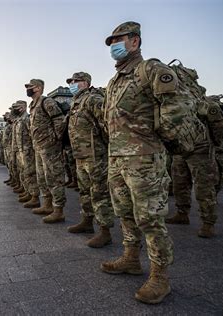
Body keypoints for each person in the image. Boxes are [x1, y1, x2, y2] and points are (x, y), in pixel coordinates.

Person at [101, 21, 174, 304]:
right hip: (118, 158)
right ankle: (131, 258)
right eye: (110, 43)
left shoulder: (151, 70)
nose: (112, 46)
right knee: (125, 213)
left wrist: (158, 141)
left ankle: (160, 276)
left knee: (150, 219)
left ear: (134, 41)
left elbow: (175, 110)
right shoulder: (115, 80)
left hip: (144, 158)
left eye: (117, 40)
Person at [65, 72, 114, 248]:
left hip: (96, 156)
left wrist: (105, 148)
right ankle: (87, 221)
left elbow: (107, 124)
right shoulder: (76, 103)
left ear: (85, 83)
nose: (71, 84)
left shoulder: (93, 99)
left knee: (99, 194)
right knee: (85, 192)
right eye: (70, 81)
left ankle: (105, 231)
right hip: (81, 155)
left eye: (75, 81)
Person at [25, 79, 66, 223]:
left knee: (54, 178)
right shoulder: (33, 105)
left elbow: (59, 120)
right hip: (39, 147)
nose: (27, 89)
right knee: (42, 178)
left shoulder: (47, 102)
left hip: (50, 148)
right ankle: (47, 205)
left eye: (30, 86)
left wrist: (55, 140)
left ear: (38, 88)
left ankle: (58, 210)